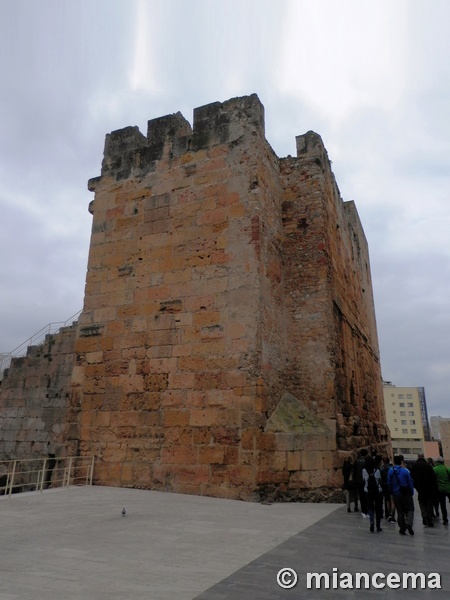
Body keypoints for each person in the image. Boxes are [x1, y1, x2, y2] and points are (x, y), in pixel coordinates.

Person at [387, 454, 415, 535]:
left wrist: (391, 492)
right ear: (401, 461)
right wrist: (411, 492)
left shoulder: (390, 471)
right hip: (406, 494)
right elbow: (410, 483)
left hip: (396, 494)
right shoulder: (405, 471)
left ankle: (402, 528)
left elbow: (389, 483)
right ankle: (408, 523)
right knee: (410, 509)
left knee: (399, 511)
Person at [410, 453, 438, 527]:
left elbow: (411, 477)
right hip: (429, 489)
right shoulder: (428, 466)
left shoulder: (414, 465)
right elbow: (433, 478)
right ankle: (430, 520)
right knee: (429, 504)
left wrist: (415, 486)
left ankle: (424, 515)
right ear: (423, 457)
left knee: (421, 502)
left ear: (418, 457)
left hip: (420, 488)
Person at [363, 456, 383, 532]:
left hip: (368, 491)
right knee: (378, 508)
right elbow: (379, 480)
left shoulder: (364, 470)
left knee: (370, 508)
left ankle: (372, 522)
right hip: (378, 491)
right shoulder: (377, 470)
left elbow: (364, 480)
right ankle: (378, 525)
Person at [433, 456, 450, 526]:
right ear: (443, 462)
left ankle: (445, 520)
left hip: (440, 490)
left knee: (443, 505)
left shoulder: (434, 469)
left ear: (437, 462)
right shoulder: (447, 469)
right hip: (448, 489)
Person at [379, 456, 396, 523]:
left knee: (386, 499)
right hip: (390, 485)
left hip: (383, 485)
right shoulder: (391, 468)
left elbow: (379, 478)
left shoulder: (381, 468)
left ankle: (387, 513)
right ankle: (391, 515)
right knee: (391, 500)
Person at [353, 449, 369, 518]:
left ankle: (363, 510)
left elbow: (354, 472)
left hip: (359, 481)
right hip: (365, 481)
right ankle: (366, 509)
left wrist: (355, 481)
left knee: (361, 496)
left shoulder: (356, 461)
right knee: (366, 496)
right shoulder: (367, 461)